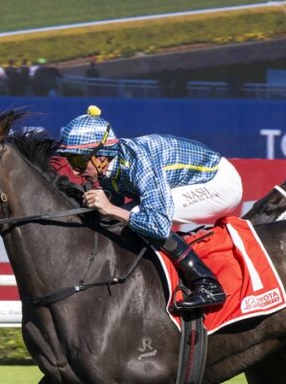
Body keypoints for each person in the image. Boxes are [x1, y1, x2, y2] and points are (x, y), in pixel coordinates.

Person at [56, 105, 243, 311]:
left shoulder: (139, 162)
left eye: (79, 161)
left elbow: (158, 225)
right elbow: (111, 215)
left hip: (220, 184)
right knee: (123, 217)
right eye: (71, 160)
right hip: (189, 180)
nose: (75, 169)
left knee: (141, 216)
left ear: (101, 156)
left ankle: (208, 284)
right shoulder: (110, 167)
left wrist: (110, 208)